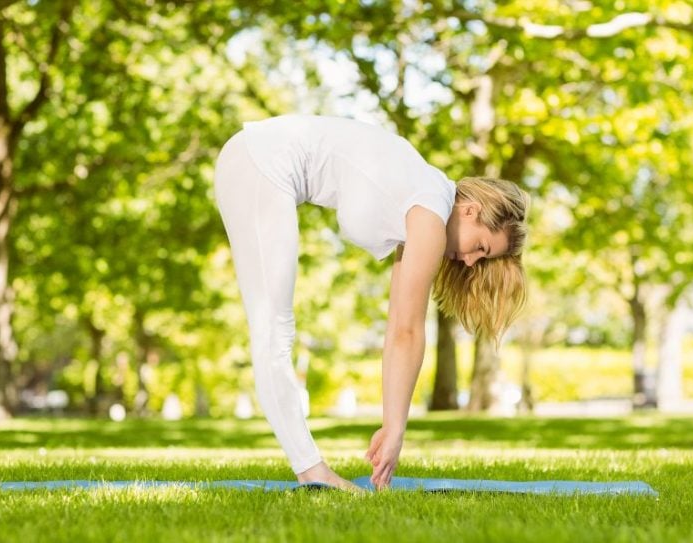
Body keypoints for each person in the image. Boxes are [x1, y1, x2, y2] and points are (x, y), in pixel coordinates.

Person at [212, 114, 530, 490]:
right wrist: (395, 432)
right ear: (471, 211)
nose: (473, 261)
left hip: (253, 160)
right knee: (273, 330)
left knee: (273, 330)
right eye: (481, 247)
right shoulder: (429, 214)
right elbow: (408, 333)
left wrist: (393, 426)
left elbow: (398, 326)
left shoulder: (423, 205)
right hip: (260, 163)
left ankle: (311, 469)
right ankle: (312, 471)